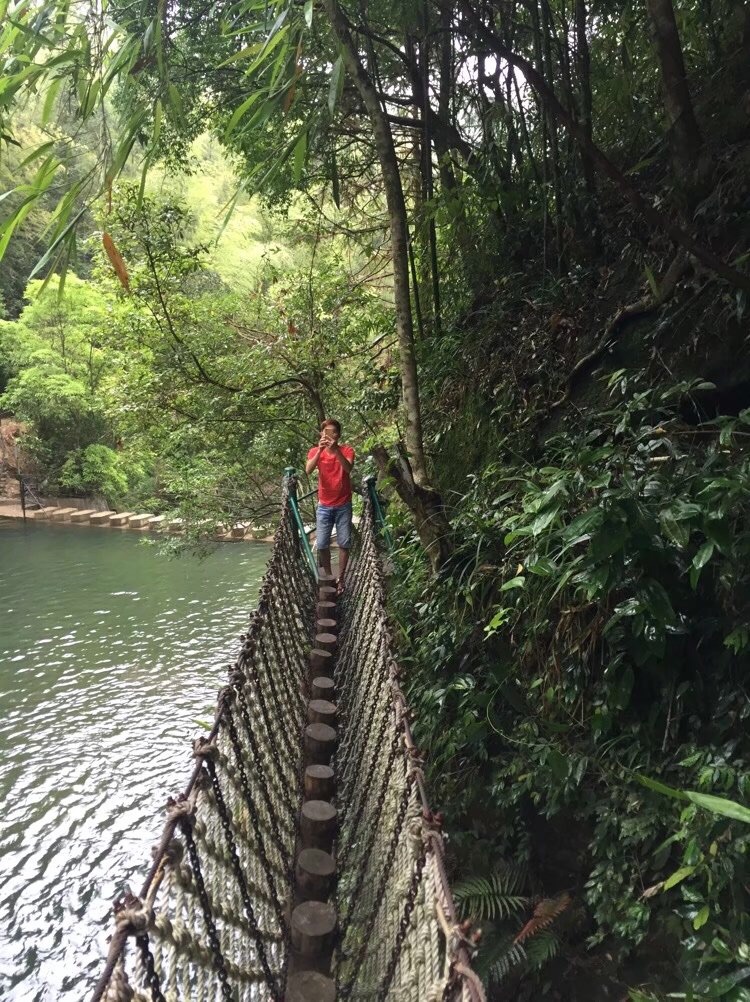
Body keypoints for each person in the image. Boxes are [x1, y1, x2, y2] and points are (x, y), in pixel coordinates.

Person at [305, 419, 355, 592]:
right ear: (321, 434)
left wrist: (335, 451)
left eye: (332, 432)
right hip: (324, 505)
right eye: (325, 432)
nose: (329, 435)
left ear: (338, 435)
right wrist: (320, 450)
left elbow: (348, 469)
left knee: (344, 543)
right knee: (322, 544)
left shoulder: (347, 450)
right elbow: (308, 470)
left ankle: (341, 578)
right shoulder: (314, 451)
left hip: (343, 504)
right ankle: (328, 575)